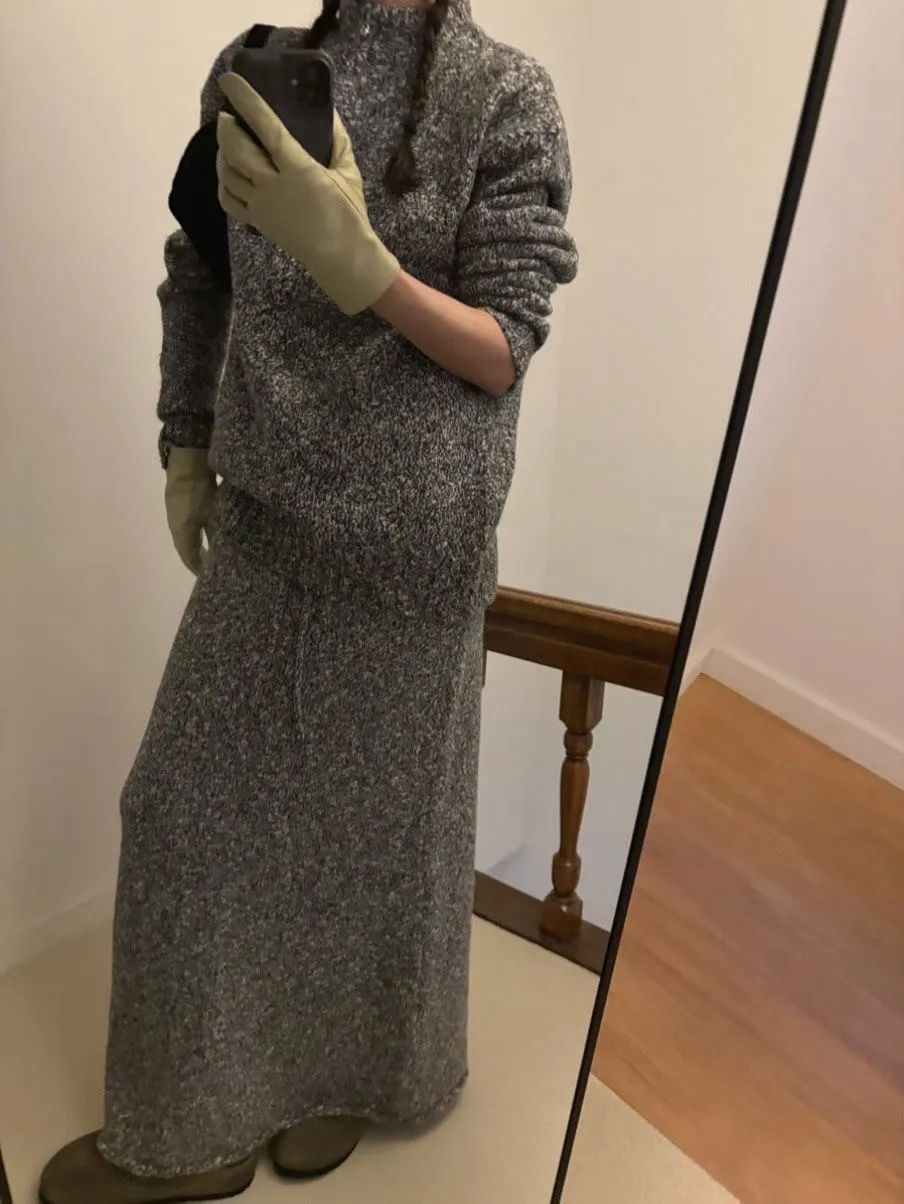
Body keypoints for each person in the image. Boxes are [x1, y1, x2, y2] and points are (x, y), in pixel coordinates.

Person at [38, 1, 578, 1200]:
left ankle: (349, 1076)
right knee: (180, 814)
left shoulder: (505, 95)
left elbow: (504, 345)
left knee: (380, 836)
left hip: (416, 543)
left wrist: (362, 266)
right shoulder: (253, 68)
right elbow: (200, 271)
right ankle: (188, 1132)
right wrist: (186, 439)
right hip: (269, 516)